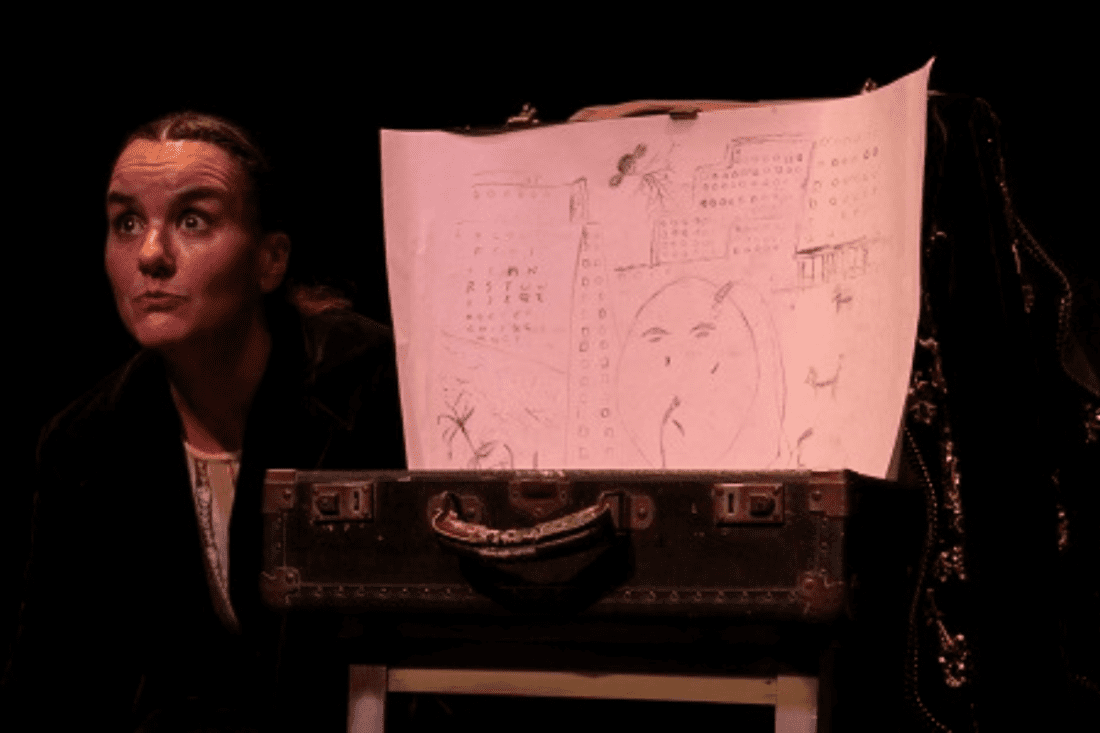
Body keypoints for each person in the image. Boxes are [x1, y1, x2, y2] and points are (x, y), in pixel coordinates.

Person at [2, 111, 406, 731]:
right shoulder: (88, 440)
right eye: (126, 223)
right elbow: (51, 678)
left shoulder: (371, 386)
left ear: (270, 259)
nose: (151, 255)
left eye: (192, 221)